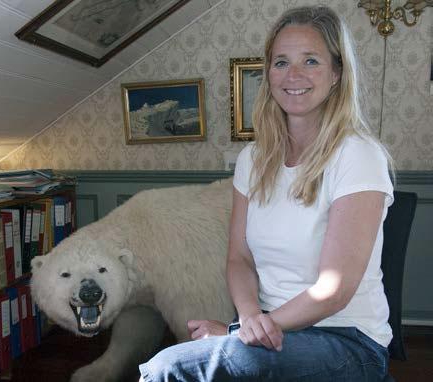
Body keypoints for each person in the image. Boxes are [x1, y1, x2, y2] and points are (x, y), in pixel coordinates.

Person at [139, 5, 394, 381]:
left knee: (167, 369)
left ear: (337, 74)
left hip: (349, 340)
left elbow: (334, 291)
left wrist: (240, 333)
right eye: (281, 62)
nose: (293, 75)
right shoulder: (252, 159)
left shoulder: (358, 155)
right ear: (268, 73)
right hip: (273, 330)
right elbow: (239, 259)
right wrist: (248, 320)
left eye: (310, 61)